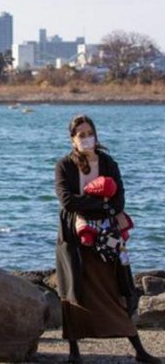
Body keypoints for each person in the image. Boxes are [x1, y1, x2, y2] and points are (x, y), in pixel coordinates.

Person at [54, 115, 161, 364]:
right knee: (73, 291)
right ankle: (74, 352)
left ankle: (139, 349)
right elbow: (67, 201)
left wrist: (95, 206)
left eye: (89, 132)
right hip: (75, 237)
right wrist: (102, 204)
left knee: (114, 289)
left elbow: (119, 200)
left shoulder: (108, 162)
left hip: (108, 236)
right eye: (81, 134)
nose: (86, 138)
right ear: (72, 139)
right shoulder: (64, 165)